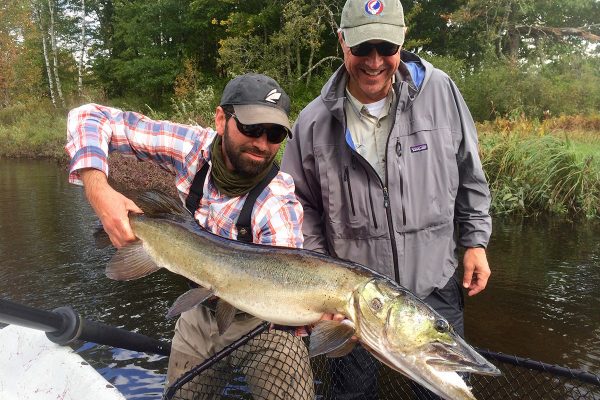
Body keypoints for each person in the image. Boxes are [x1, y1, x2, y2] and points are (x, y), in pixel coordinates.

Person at [281, 0, 492, 398]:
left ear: (403, 41)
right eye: (362, 48)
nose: (374, 62)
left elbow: (470, 173)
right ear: (342, 42)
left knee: (444, 392)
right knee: (352, 395)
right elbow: (299, 206)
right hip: (349, 303)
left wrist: (475, 242)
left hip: (434, 285)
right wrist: (320, 277)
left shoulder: (441, 92)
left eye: (386, 48)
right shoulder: (311, 123)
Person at [65, 73, 314, 399]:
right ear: (221, 119)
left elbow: (286, 292)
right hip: (199, 312)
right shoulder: (192, 148)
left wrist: (323, 320)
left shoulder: (278, 202)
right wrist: (98, 190)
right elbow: (88, 115)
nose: (262, 143)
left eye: (275, 133)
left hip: (262, 325)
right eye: (252, 128)